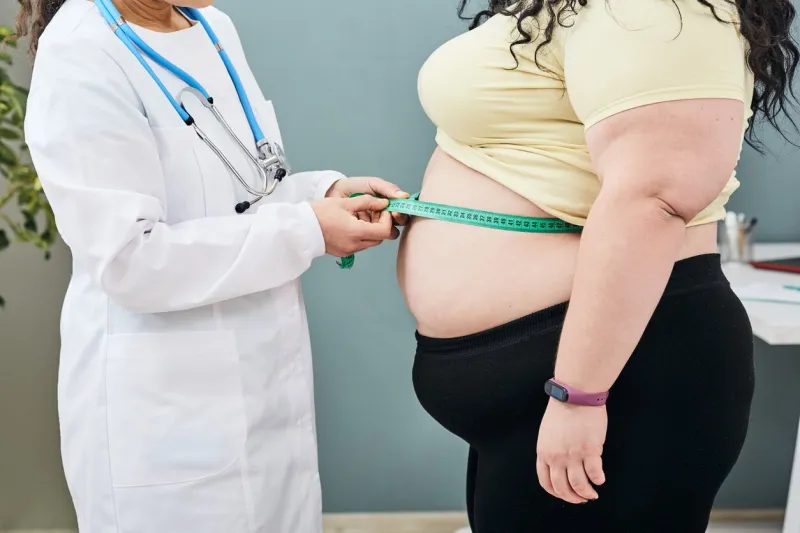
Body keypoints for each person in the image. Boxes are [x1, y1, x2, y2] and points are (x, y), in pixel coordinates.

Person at [398, 0, 799, 531]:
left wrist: (579, 395)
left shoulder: (662, 9)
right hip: (549, 387)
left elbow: (653, 197)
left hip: (618, 377)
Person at [16, 0, 408, 531]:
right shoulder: (81, 50)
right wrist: (307, 228)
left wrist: (322, 194)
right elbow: (131, 259)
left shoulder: (212, 27)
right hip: (165, 422)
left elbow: (241, 195)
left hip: (267, 398)